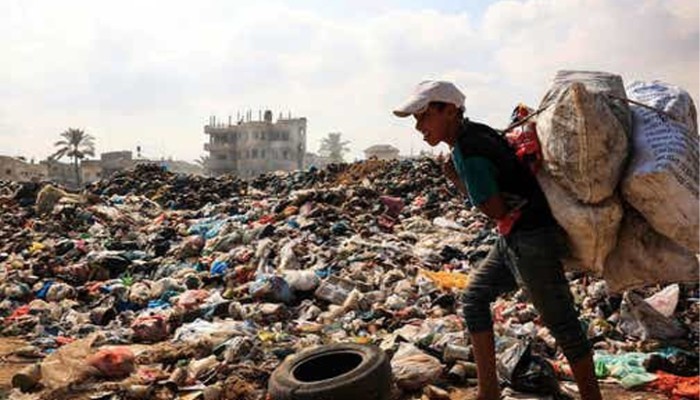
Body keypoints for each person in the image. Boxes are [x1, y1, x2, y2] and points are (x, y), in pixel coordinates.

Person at [393, 80, 602, 400]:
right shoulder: (477, 133)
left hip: (530, 238)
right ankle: (488, 392)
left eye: (423, 116)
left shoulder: (468, 148)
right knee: (474, 297)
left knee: (562, 325)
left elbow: (494, 209)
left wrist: (458, 180)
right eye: (416, 120)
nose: (420, 127)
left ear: (449, 111)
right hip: (515, 235)